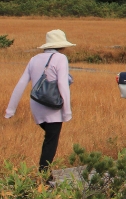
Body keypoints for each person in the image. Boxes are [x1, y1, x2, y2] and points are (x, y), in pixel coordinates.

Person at [5, 29, 75, 178]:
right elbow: (62, 84)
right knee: (51, 140)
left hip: (36, 105)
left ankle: (44, 174)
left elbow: (21, 84)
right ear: (61, 45)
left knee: (49, 137)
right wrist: (67, 111)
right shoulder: (61, 58)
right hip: (53, 106)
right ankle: (44, 176)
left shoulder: (34, 59)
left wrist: (10, 110)